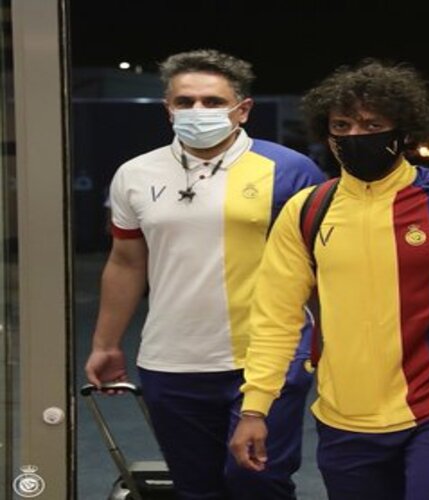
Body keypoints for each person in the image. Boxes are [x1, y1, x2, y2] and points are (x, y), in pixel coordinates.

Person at [229, 58, 429, 500]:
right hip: (344, 419)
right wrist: (255, 408)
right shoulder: (306, 211)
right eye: (342, 125)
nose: (355, 136)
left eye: (372, 124)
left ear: (404, 131)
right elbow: (275, 319)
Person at [84, 48, 326, 500]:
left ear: (243, 109)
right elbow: (126, 261)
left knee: (257, 481)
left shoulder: (291, 171)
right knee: (197, 489)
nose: (198, 111)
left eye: (213, 102)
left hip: (267, 357)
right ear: (168, 109)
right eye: (185, 101)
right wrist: (105, 344)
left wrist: (331, 344)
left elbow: (320, 267)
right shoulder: (134, 174)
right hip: (170, 361)